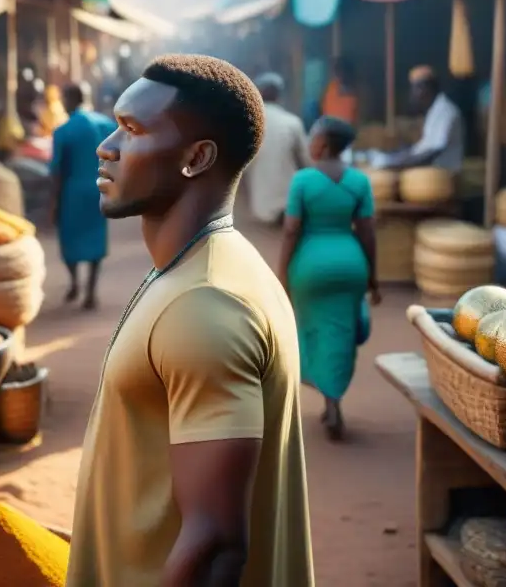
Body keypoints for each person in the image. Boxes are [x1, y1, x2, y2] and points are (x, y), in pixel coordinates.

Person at [68, 54, 314, 587]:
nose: (105, 146)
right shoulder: (196, 271)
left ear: (197, 157)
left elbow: (215, 549)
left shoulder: (206, 304)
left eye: (131, 130)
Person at [277, 116, 380, 441]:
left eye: (312, 138)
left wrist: (281, 272)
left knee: (312, 329)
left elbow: (291, 229)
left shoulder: (303, 181)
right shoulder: (359, 182)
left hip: (310, 266)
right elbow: (367, 232)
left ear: (322, 145)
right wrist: (373, 278)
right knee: (342, 332)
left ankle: (326, 392)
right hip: (350, 263)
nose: (309, 143)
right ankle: (333, 398)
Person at [51, 83, 114, 310]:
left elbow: (57, 171)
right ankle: (90, 291)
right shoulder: (105, 125)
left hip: (72, 193)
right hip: (98, 189)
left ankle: (74, 282)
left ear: (69, 100)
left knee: (70, 239)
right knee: (96, 238)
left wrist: (54, 203)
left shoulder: (63, 131)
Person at [244, 72, 309, 226]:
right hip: (290, 206)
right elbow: (306, 162)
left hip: (259, 210)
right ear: (279, 95)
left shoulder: (246, 124)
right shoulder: (292, 122)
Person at [372, 65, 464, 173]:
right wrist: (401, 154)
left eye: (414, 88)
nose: (412, 94)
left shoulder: (446, 111)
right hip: (429, 171)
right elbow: (424, 147)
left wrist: (401, 164)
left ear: (425, 88)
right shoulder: (434, 110)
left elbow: (433, 152)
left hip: (440, 175)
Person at [321, 56, 359, 126]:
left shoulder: (359, 91)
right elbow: (323, 111)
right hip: (331, 129)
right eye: (338, 71)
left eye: (343, 71)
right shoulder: (330, 89)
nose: (340, 75)